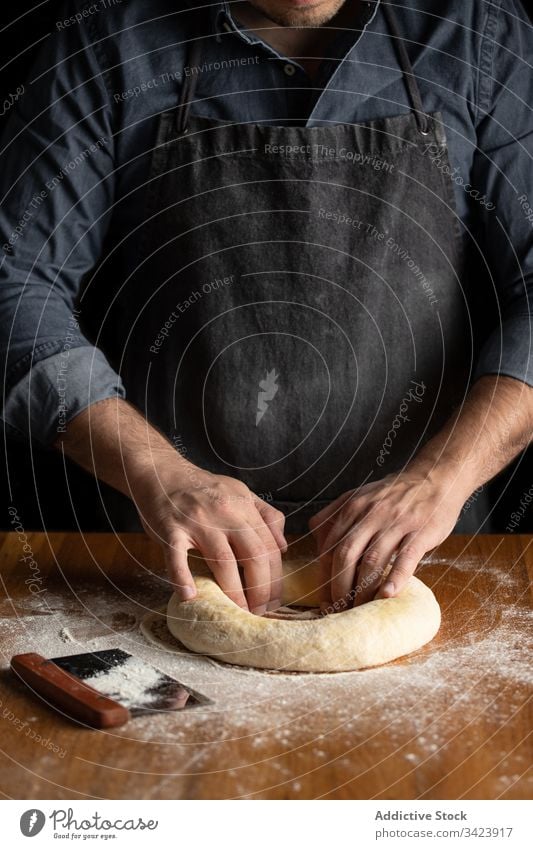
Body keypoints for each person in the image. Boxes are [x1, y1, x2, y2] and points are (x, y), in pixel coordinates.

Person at [1, 0, 532, 616]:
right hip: (168, 565)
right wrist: (161, 476)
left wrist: (443, 476)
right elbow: (15, 284)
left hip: (434, 559)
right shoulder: (109, 41)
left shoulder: (477, 32)